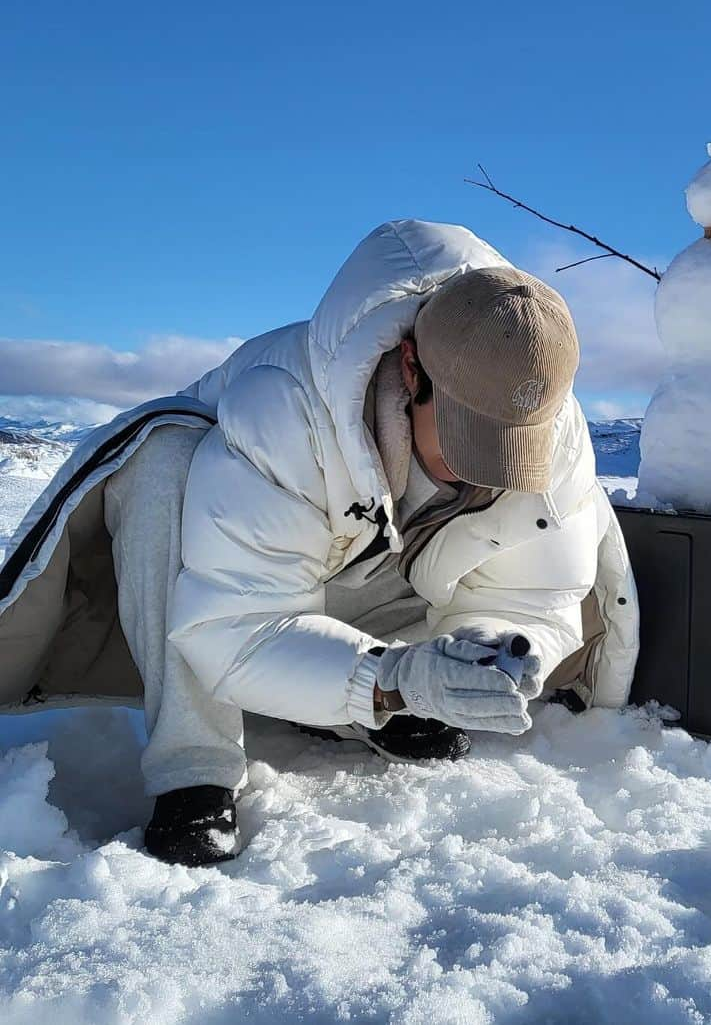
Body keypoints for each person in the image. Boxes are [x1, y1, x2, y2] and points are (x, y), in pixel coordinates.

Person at [0, 220, 640, 865]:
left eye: (510, 450)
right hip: (214, 578)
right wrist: (392, 679)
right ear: (411, 365)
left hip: (362, 581)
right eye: (466, 436)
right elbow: (235, 623)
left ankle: (368, 705)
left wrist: (484, 645)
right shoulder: (284, 404)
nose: (484, 471)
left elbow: (536, 593)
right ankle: (193, 770)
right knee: (160, 463)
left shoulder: (550, 425)